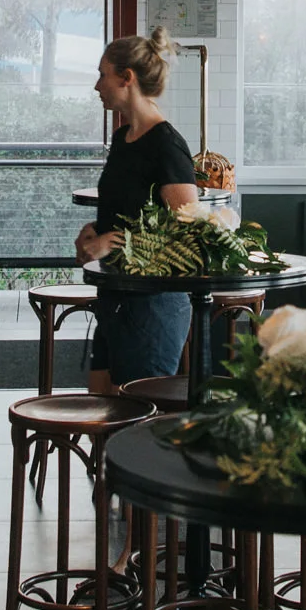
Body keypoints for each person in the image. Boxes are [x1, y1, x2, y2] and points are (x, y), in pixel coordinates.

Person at [76, 28, 200, 393]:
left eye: (102, 74)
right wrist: (94, 232)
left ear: (126, 78)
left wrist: (113, 242)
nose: (97, 85)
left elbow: (190, 236)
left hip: (153, 305)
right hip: (115, 294)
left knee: (139, 416)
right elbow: (126, 209)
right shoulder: (123, 138)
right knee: (101, 405)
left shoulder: (166, 145)